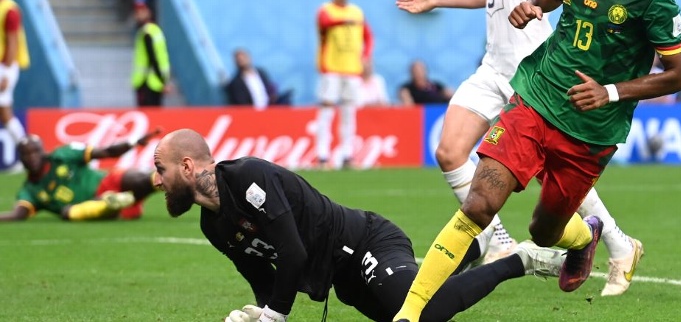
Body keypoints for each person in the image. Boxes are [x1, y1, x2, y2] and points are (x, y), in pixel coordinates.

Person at [393, 0, 681, 322]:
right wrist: (531, 6)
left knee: (544, 231)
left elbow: (677, 75)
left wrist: (609, 92)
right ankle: (408, 315)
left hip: (591, 130)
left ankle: (584, 238)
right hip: (535, 97)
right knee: (478, 204)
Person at [153, 128, 566, 322]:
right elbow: (262, 274)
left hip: (367, 241)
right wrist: (261, 309)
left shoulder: (248, 177)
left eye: (161, 169)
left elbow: (293, 253)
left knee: (421, 314)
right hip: (342, 276)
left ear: (188, 166)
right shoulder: (213, 225)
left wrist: (273, 316)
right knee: (401, 309)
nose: (155, 181)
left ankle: (521, 259)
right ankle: (470, 250)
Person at [0, 130, 161, 221]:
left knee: (138, 179)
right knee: (67, 213)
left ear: (43, 151)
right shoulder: (29, 191)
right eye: (26, 154)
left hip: (106, 183)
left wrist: (133, 142)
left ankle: (175, 181)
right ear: (20, 158)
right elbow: (17, 214)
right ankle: (110, 203)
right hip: (98, 211)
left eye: (35, 151)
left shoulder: (63, 155)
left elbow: (106, 152)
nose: (32, 157)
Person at [315, 0, 373, 168]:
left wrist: (365, 56)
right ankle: (322, 157)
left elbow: (368, 36)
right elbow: (325, 23)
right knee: (326, 112)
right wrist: (344, 21)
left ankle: (347, 156)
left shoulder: (356, 11)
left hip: (352, 69)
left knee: (349, 113)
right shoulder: (326, 9)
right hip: (331, 67)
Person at [0, 0, 30, 146]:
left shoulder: (10, 10)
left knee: (5, 113)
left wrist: (5, 74)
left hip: (5, 66)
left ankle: (27, 149)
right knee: (5, 113)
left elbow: (13, 43)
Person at [132, 2, 171, 106]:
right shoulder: (156, 30)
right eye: (137, 13)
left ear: (148, 12)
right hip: (151, 82)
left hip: (147, 82)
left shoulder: (146, 33)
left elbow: (153, 58)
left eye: (141, 12)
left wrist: (162, 82)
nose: (138, 15)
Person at [225, 49, 291, 107]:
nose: (242, 61)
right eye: (239, 60)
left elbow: (269, 88)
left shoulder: (261, 73)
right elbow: (241, 103)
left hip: (270, 106)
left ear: (249, 58)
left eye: (243, 58)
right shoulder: (236, 83)